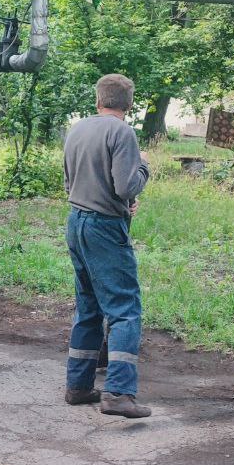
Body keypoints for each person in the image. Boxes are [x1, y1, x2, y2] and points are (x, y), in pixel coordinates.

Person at [62, 73, 151, 419]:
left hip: (77, 221)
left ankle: (79, 386)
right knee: (125, 309)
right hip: (105, 228)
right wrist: (144, 168)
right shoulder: (122, 132)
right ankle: (118, 392)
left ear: (98, 99)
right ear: (128, 104)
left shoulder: (77, 129)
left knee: (88, 306)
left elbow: (71, 180)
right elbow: (127, 185)